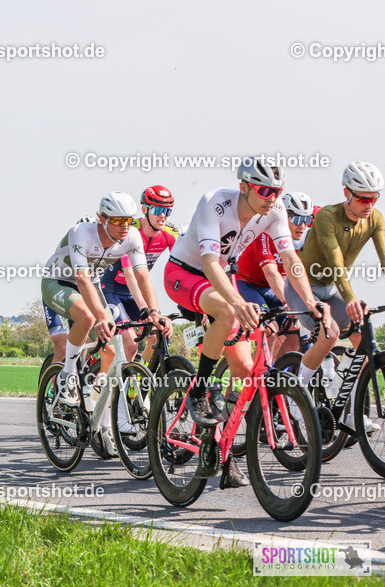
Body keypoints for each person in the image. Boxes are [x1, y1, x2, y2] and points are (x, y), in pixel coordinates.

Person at [164, 157, 329, 488]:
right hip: (185, 272)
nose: (272, 197)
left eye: (277, 191)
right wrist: (238, 303)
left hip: (222, 279)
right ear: (244, 187)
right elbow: (210, 262)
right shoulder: (215, 203)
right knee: (227, 311)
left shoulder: (275, 210)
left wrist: (310, 302)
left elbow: (290, 259)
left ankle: (222, 452)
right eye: (265, 190)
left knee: (242, 371)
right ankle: (198, 388)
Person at [41, 192, 171, 455]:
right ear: (103, 219)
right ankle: (67, 375)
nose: (125, 226)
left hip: (92, 286)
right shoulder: (81, 233)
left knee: (111, 349)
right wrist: (100, 316)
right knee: (88, 317)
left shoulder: (131, 237)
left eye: (129, 220)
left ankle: (96, 403)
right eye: (118, 220)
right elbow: (81, 279)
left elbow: (142, 274)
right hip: (59, 282)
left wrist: (153, 311)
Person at [285, 161, 385, 435]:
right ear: (346, 193)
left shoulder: (375, 218)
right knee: (329, 334)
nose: (369, 204)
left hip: (331, 289)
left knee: (363, 340)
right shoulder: (327, 216)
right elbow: (336, 262)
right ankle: (299, 391)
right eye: (363, 198)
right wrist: (352, 298)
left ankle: (353, 414)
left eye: (374, 198)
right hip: (302, 286)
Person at [98, 185, 179, 360]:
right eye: (158, 210)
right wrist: (147, 310)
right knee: (131, 343)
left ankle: (140, 377)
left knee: (157, 337)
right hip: (112, 289)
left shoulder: (170, 233)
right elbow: (131, 276)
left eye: (167, 211)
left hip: (134, 294)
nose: (163, 216)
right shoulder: (131, 231)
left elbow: (183, 268)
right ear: (144, 210)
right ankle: (110, 382)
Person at [234, 191, 315, 359]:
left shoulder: (299, 239)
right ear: (285, 217)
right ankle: (252, 379)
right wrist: (288, 302)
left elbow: (290, 276)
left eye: (307, 220)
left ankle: (278, 379)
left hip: (268, 289)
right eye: (298, 220)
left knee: (294, 330)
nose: (303, 226)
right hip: (245, 284)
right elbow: (271, 273)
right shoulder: (264, 231)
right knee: (270, 332)